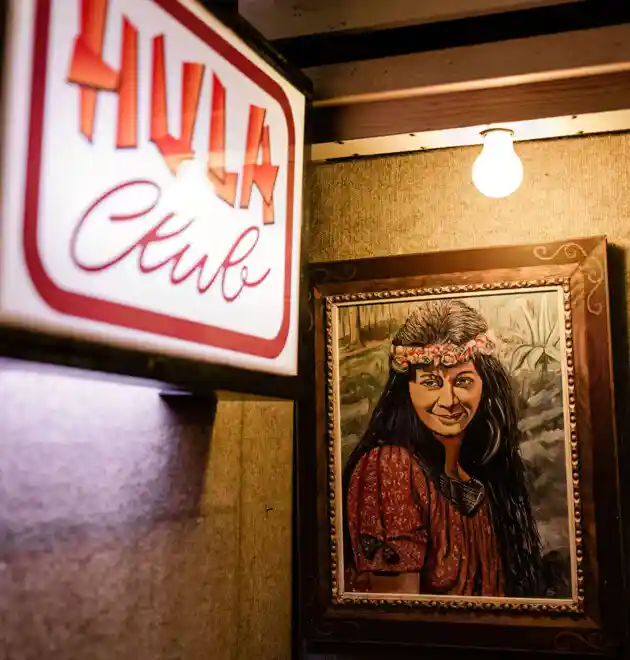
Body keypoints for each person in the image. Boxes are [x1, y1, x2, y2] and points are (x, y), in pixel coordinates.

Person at [343, 299, 543, 597]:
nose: (449, 401)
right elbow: (398, 613)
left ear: (485, 385)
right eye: (430, 382)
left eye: (463, 381)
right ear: (407, 389)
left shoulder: (485, 482)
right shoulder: (390, 467)